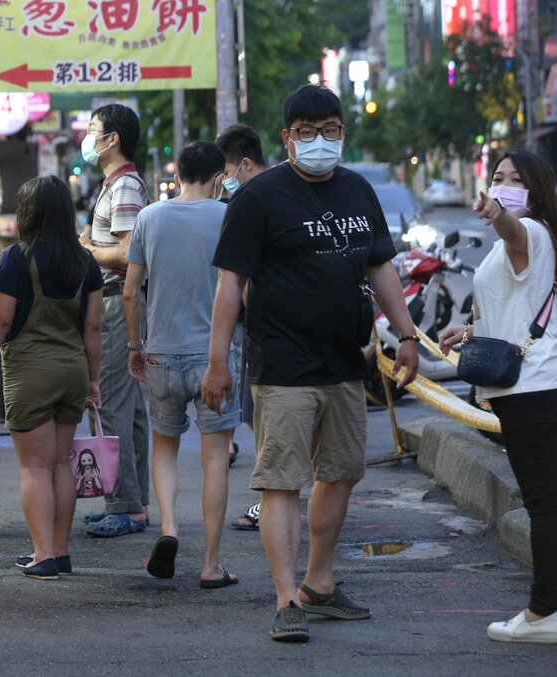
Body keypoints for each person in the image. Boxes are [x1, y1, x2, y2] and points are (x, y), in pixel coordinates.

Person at [201, 84, 420, 643]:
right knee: (282, 483)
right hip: (282, 365)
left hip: (346, 362)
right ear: (287, 138)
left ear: (342, 132)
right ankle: (285, 598)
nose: (320, 141)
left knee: (342, 474)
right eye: (306, 132)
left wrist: (408, 335)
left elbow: (381, 269)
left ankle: (319, 583)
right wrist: (218, 362)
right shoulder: (261, 197)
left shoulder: (357, 191)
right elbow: (231, 283)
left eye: (329, 130)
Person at [438, 150, 557, 644]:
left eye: (516, 179)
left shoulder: (531, 232)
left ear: (537, 188)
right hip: (535, 383)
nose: (506, 184)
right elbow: (516, 306)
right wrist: (466, 330)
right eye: (500, 177)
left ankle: (544, 613)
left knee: (545, 504)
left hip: (531, 389)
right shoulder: (530, 241)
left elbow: (514, 231)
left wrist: (500, 213)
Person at [0, 176, 103, 579]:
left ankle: (42, 554)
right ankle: (60, 551)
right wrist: (93, 381)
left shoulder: (16, 259)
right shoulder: (86, 263)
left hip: (30, 372)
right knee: (61, 463)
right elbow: (93, 330)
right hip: (73, 370)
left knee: (35, 468)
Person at [125, 141, 239, 587]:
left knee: (165, 447)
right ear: (216, 178)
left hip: (161, 353)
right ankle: (211, 565)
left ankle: (169, 528)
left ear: (178, 175)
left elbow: (131, 290)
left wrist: (136, 344)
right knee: (215, 458)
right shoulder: (227, 215)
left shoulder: (149, 217)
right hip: (213, 357)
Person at [78, 104, 152, 539]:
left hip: (113, 305)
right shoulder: (117, 185)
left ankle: (124, 504)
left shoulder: (124, 187)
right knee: (132, 409)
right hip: (117, 304)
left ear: (112, 139)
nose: (88, 139)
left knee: (110, 405)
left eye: (93, 131)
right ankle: (133, 502)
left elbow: (128, 254)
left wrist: (88, 250)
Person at [216, 123, 270, 530]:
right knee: (259, 416)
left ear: (244, 165)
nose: (224, 185)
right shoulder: (284, 191)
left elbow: (237, 282)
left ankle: (270, 501)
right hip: (269, 333)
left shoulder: (253, 201)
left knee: (264, 417)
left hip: (271, 335)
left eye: (226, 175)